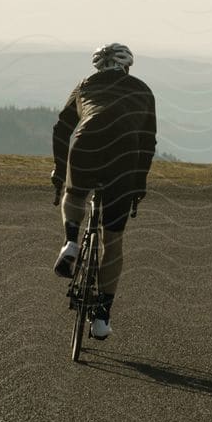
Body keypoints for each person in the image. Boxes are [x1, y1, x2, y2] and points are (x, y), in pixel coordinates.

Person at [50, 43, 157, 341]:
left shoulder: (85, 85)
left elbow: (62, 128)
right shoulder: (143, 90)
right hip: (126, 155)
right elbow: (148, 142)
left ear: (98, 67)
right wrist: (138, 185)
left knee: (74, 194)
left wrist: (60, 172)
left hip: (87, 143)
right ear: (128, 67)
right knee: (113, 238)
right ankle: (102, 316)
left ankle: (71, 242)